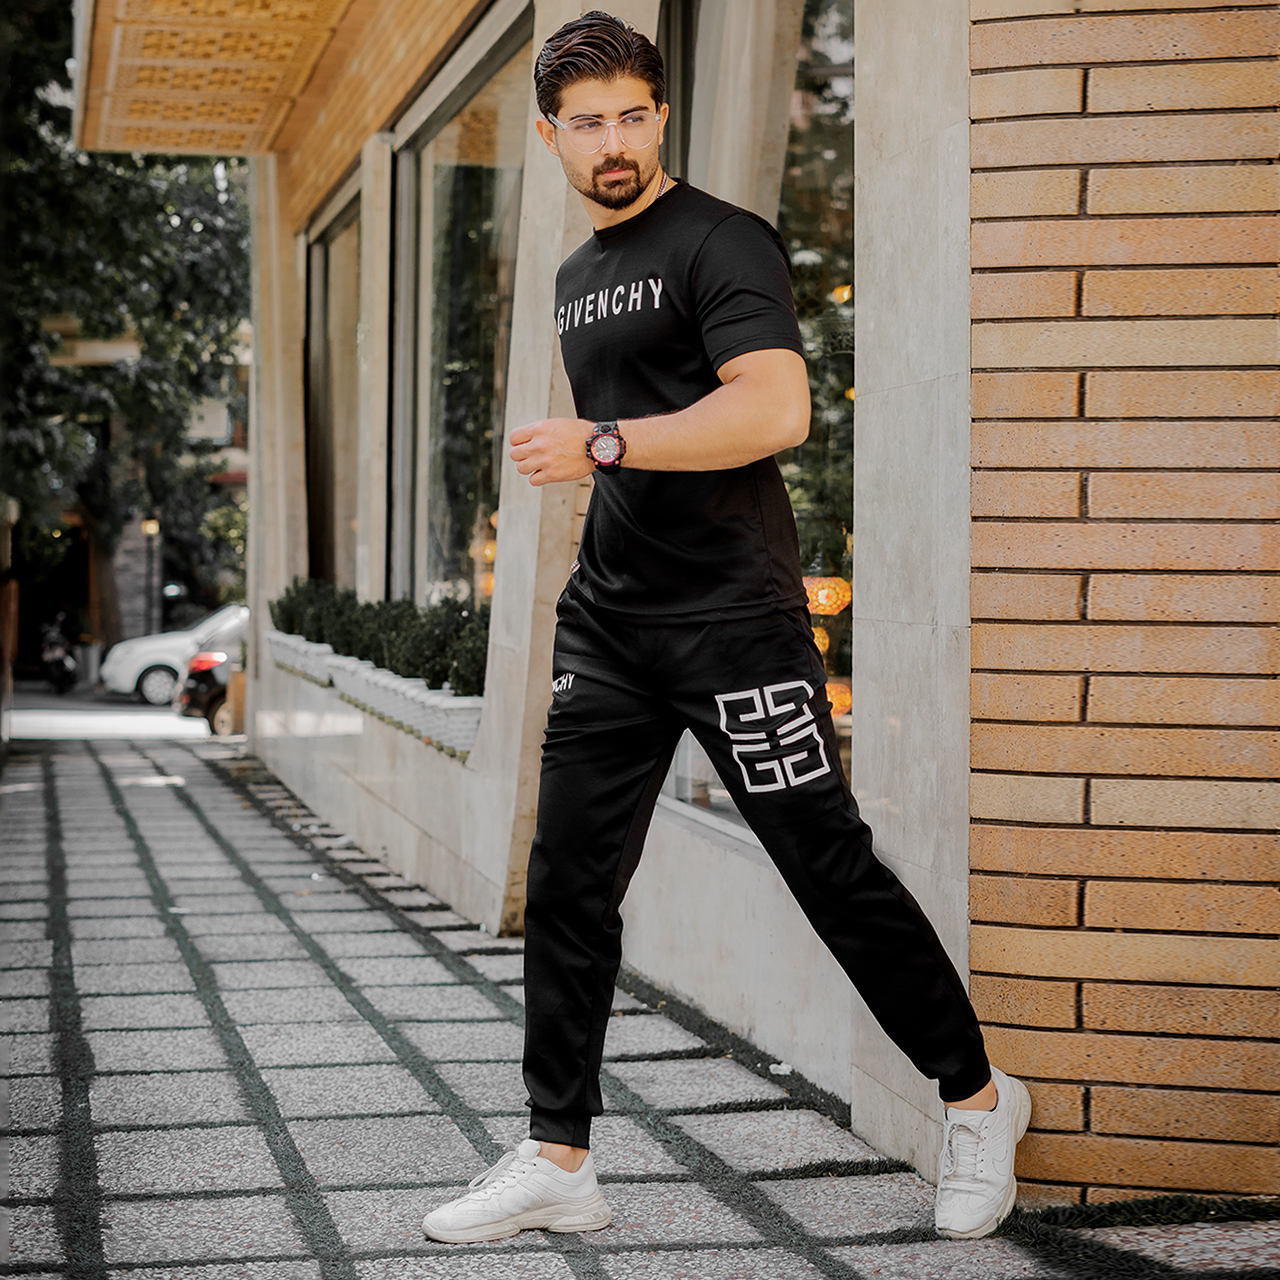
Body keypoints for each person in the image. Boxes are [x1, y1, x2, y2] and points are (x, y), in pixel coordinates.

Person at [423, 10, 1030, 1246]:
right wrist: (610, 470)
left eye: (629, 116)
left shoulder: (721, 239)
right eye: (585, 123)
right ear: (548, 136)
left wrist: (601, 442)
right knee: (568, 879)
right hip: (611, 624)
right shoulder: (574, 276)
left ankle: (975, 1098)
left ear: (660, 117)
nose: (610, 142)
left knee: (824, 862)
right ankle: (558, 1154)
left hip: (734, 621)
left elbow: (774, 410)